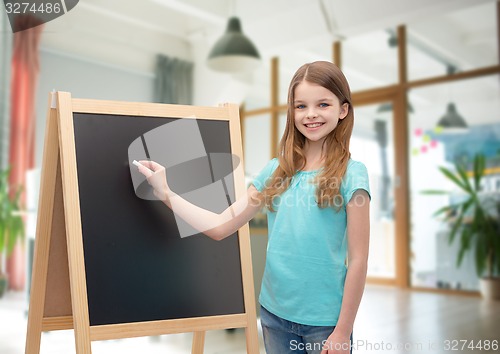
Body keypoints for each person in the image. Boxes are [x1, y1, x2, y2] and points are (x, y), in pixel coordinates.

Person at [137, 61, 370, 354]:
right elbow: (222, 225)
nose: (311, 114)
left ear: (343, 110)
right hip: (274, 317)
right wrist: (166, 192)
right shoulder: (276, 171)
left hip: (326, 324)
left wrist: (343, 331)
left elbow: (359, 260)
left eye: (323, 104)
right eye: (301, 106)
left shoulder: (354, 174)